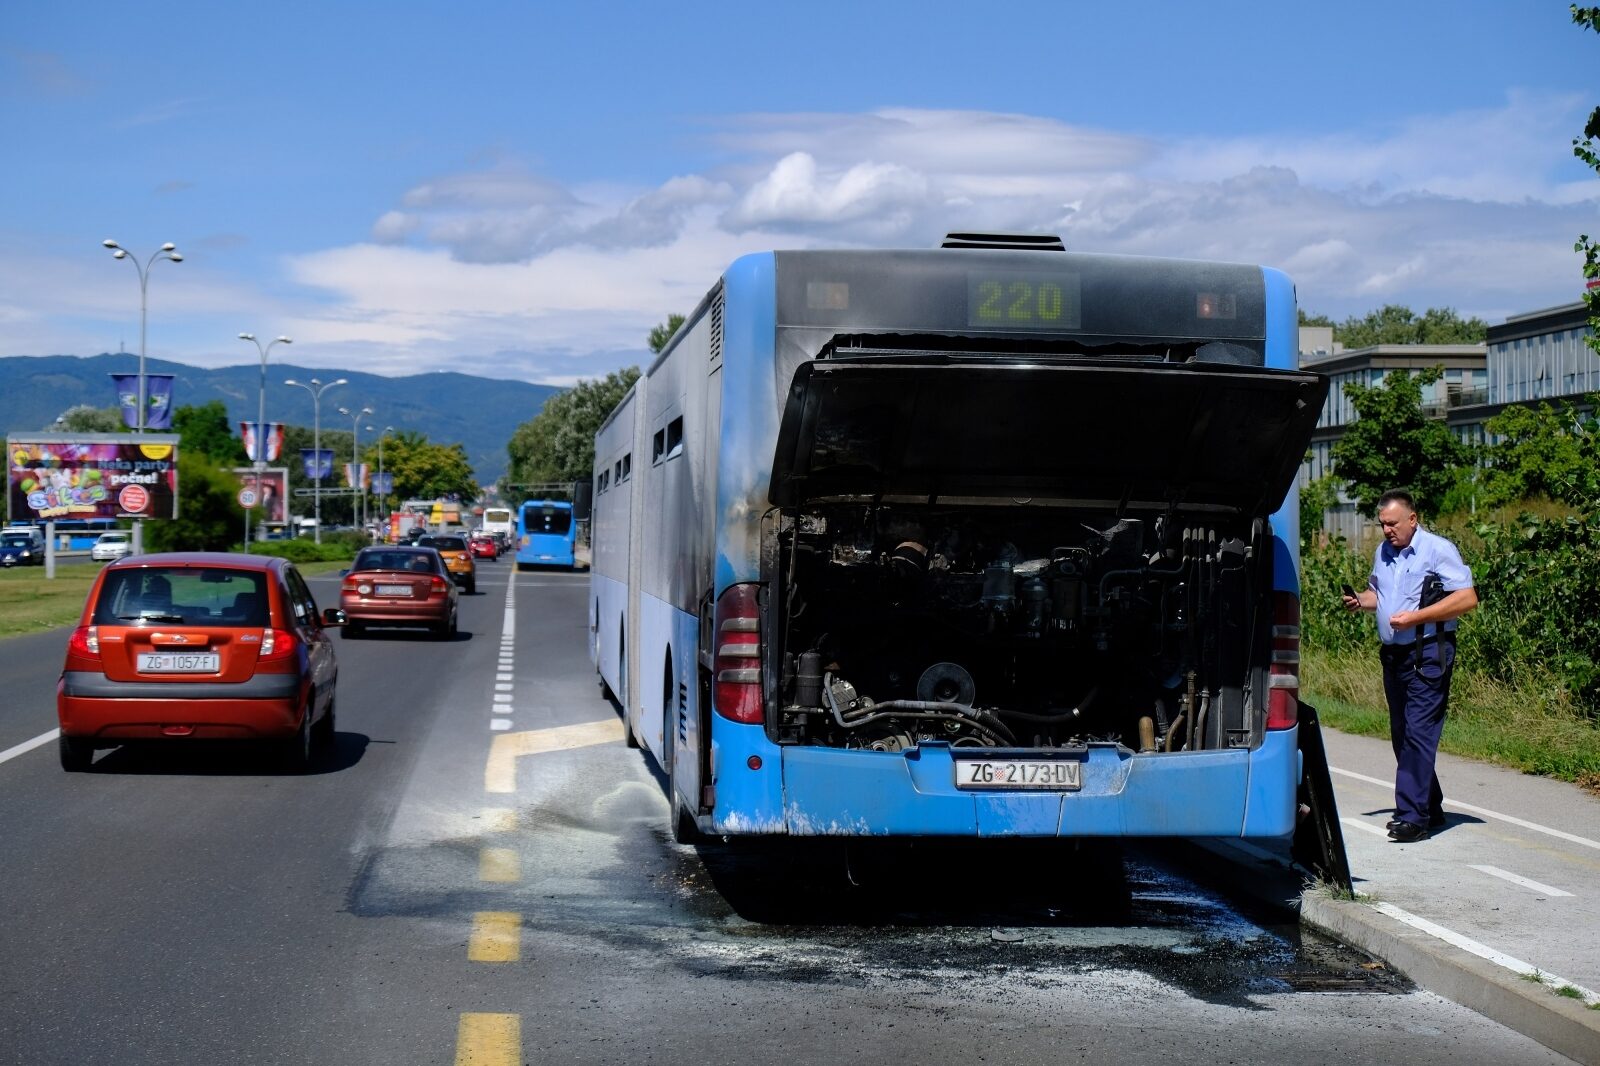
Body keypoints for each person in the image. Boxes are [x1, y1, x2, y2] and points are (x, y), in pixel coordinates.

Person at [1343, 489, 1478, 842]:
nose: (1387, 530)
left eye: (1392, 523)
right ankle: (1429, 804)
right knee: (1402, 733)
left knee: (1419, 732)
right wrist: (1361, 601)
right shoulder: (1383, 552)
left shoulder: (1437, 550)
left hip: (1428, 652)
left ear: (1412, 519)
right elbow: (1378, 595)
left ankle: (1412, 818)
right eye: (1382, 524)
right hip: (1394, 655)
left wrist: (1416, 617)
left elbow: (1467, 598)